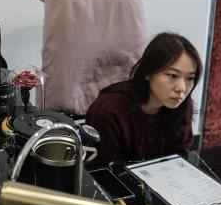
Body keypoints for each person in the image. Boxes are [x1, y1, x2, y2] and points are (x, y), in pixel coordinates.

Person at [85, 32, 201, 166]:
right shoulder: (109, 110)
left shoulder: (181, 105)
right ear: (148, 72)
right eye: (172, 75)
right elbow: (105, 170)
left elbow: (178, 160)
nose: (182, 88)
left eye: (190, 78)